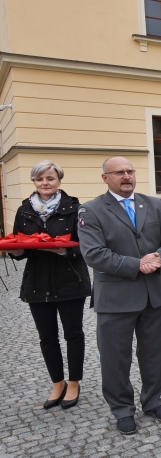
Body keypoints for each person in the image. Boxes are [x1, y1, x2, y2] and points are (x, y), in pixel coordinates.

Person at [78, 156, 161, 434]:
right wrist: (137, 264)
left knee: (154, 354)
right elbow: (94, 253)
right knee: (114, 358)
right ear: (105, 178)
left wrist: (159, 257)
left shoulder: (154, 204)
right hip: (115, 299)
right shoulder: (91, 210)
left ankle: (153, 400)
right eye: (119, 172)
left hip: (154, 296)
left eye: (130, 171)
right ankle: (122, 409)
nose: (126, 176)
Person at [8, 161, 91, 410]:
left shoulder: (76, 208)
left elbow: (87, 246)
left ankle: (74, 382)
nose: (45, 183)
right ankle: (58, 383)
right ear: (34, 182)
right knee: (47, 337)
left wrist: (65, 252)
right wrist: (18, 251)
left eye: (50, 178)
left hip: (70, 280)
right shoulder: (24, 211)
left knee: (73, 334)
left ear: (59, 181)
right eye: (39, 179)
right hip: (37, 283)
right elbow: (18, 246)